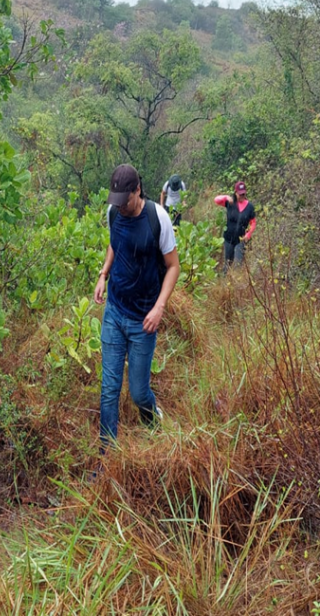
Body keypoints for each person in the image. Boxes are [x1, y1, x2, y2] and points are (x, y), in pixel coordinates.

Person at [93, 164, 180, 446]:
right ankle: (108, 455)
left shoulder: (158, 218)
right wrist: (103, 274)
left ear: (138, 190)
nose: (121, 207)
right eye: (116, 201)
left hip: (144, 319)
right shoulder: (114, 212)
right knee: (109, 390)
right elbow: (114, 244)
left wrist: (159, 307)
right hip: (115, 312)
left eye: (125, 200)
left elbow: (173, 266)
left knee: (139, 394)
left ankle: (154, 425)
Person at [215, 181, 256, 272]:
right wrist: (226, 197)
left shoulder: (250, 207)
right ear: (235, 192)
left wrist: (248, 234)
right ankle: (224, 282)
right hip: (228, 238)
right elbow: (216, 200)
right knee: (228, 263)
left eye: (243, 194)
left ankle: (236, 283)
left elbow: (253, 222)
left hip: (240, 239)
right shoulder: (230, 203)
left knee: (238, 265)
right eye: (240, 194)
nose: (242, 196)